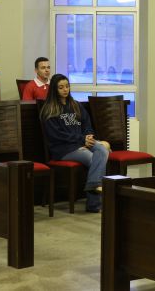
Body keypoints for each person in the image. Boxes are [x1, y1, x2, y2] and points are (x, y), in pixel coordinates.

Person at [40, 74, 110, 213]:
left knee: (102, 151)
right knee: (95, 159)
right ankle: (94, 204)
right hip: (64, 149)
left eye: (67, 86)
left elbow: (87, 124)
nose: (65, 89)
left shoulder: (75, 105)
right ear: (54, 89)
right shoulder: (49, 109)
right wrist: (81, 140)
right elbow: (57, 135)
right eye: (61, 87)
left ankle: (93, 190)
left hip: (81, 142)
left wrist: (88, 136)